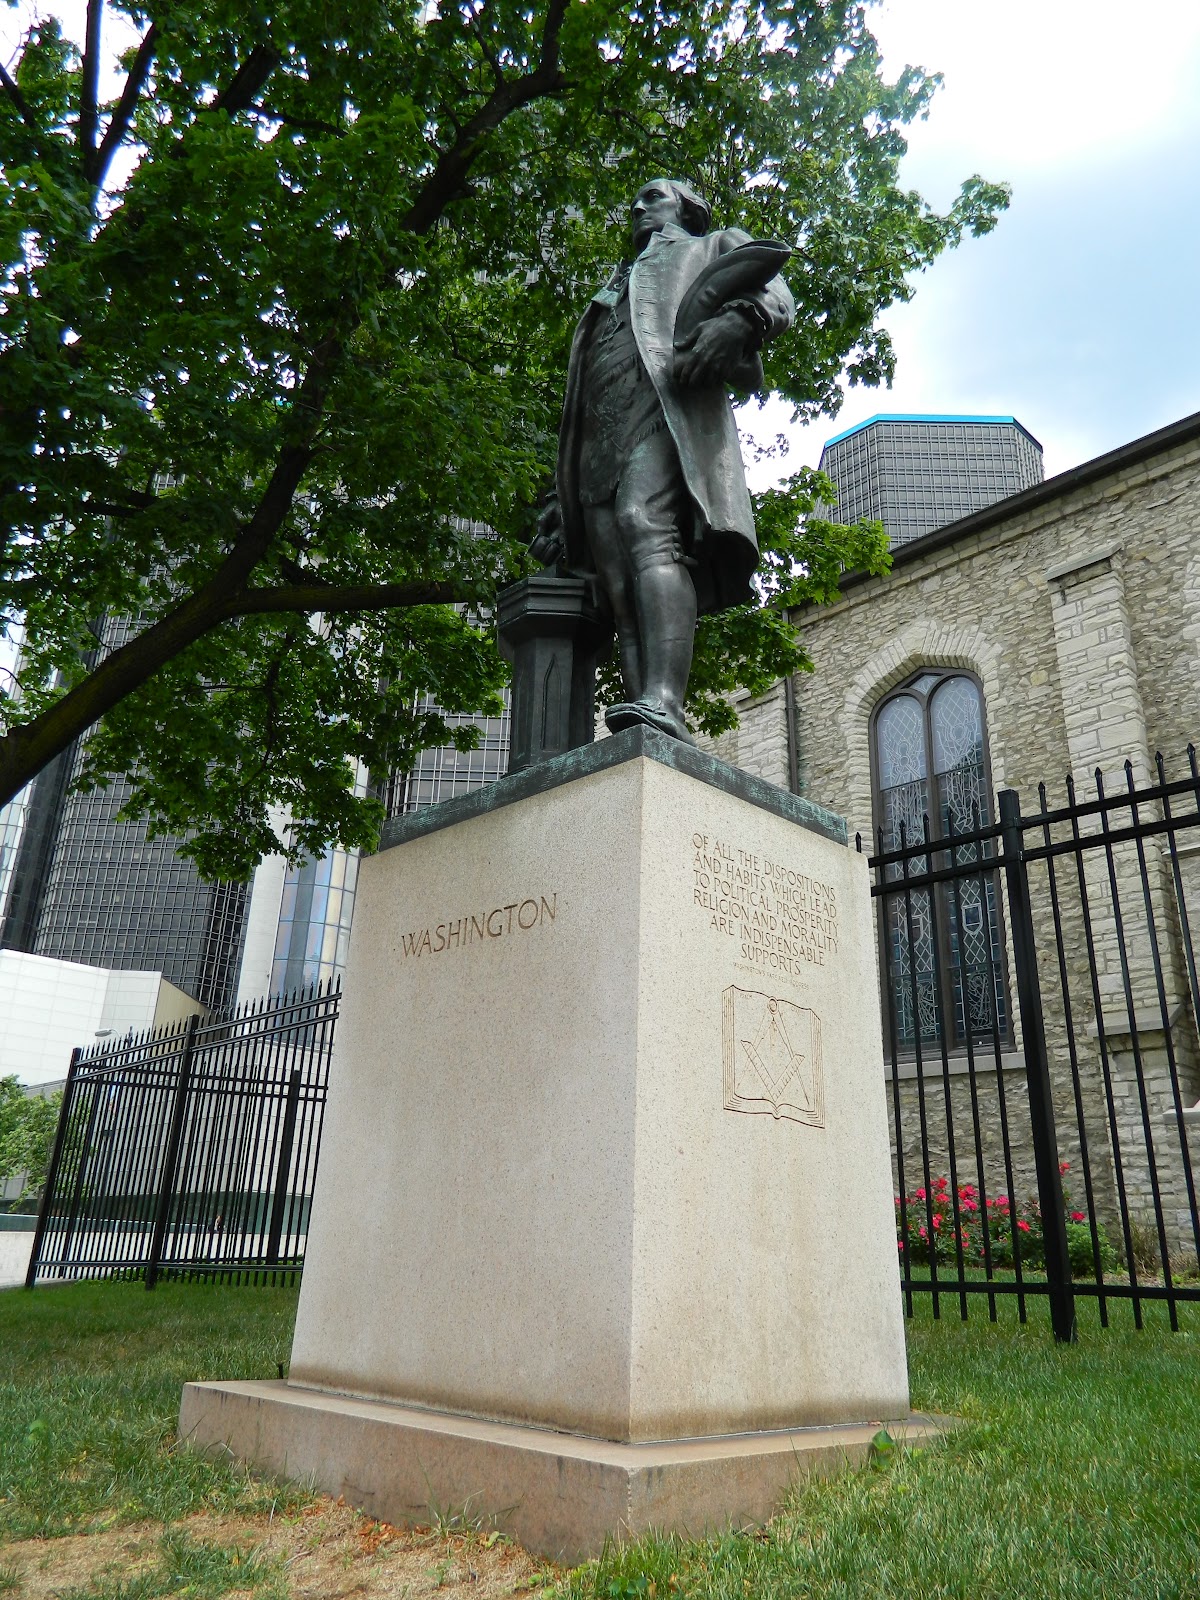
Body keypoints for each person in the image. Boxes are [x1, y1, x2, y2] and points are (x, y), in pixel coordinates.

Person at [532, 178, 794, 742]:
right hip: (602, 438)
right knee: (617, 583)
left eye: (655, 196)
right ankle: (646, 721)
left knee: (644, 523)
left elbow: (776, 294)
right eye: (636, 199)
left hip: (668, 412)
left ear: (688, 208)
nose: (637, 206)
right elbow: (579, 400)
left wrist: (741, 319)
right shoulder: (611, 287)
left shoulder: (713, 245)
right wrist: (559, 496)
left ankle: (666, 700)